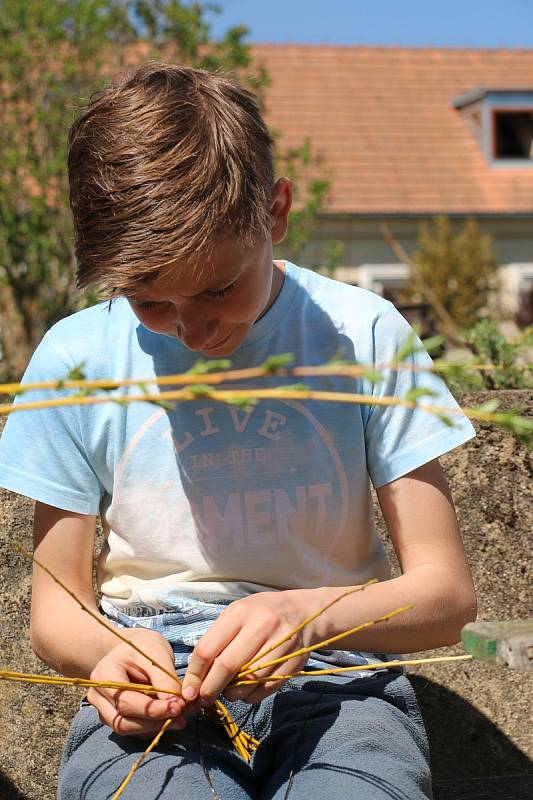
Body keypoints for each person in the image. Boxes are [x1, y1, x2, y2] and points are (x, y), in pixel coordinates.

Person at [0, 62, 477, 800]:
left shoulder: (363, 335)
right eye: (148, 300)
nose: (190, 329)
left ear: (276, 213)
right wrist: (111, 651)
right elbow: (56, 609)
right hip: (154, 683)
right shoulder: (75, 359)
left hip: (335, 676)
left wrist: (305, 616)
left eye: (218, 288)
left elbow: (444, 595)